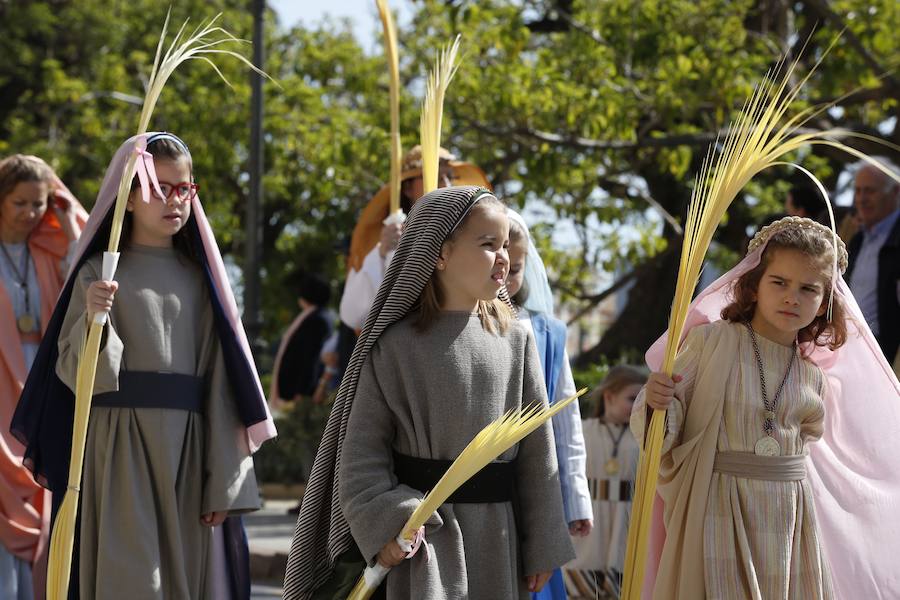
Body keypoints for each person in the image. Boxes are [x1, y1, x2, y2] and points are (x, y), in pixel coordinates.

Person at [12, 133, 276, 599]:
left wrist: (224, 480)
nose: (175, 201)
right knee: (130, 579)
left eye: (185, 189)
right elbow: (77, 376)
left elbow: (221, 385)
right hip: (117, 451)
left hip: (188, 456)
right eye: (161, 188)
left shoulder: (202, 281)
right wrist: (95, 320)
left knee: (182, 582)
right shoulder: (98, 273)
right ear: (129, 198)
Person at [284, 186, 574, 599]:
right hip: (421, 543)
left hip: (498, 539)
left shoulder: (517, 339)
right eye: (488, 244)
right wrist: (392, 523)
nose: (504, 256)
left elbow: (537, 454)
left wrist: (542, 545)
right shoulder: (393, 346)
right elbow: (361, 462)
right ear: (439, 254)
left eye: (506, 244)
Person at [632, 215, 900, 599]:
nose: (792, 297)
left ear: (825, 302)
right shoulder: (710, 343)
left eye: (809, 288)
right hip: (720, 509)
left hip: (788, 516)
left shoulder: (812, 374)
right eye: (780, 282)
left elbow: (810, 447)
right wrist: (657, 402)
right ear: (755, 285)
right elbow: (664, 424)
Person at [0, 154, 86, 598]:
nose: (31, 213)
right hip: (0, 389)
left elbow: (83, 277)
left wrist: (69, 219)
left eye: (38, 204)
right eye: (20, 203)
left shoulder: (47, 246)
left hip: (41, 385)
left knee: (40, 485)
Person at [336, 148, 491, 377]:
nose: (446, 183)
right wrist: (381, 252)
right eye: (438, 175)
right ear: (408, 188)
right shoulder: (387, 235)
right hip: (399, 361)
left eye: (450, 176)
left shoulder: (467, 235)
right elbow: (353, 314)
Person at [505, 210, 592, 600]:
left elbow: (565, 417)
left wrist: (575, 497)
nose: (504, 278)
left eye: (515, 268)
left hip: (535, 488)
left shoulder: (548, 332)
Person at [564, 365, 646, 599]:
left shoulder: (644, 437)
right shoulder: (581, 431)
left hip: (626, 524)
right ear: (609, 396)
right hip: (589, 522)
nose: (638, 406)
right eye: (632, 399)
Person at [845, 159, 900, 363]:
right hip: (849, 347)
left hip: (885, 358)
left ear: (896, 191)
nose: (861, 199)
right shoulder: (859, 239)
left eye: (869, 191)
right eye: (858, 191)